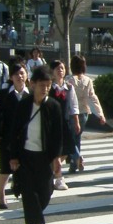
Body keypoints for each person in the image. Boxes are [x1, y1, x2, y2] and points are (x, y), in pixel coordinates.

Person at [8, 65, 63, 224]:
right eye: (42, 85)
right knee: (29, 192)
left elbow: (58, 134)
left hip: (44, 156)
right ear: (32, 84)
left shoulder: (54, 106)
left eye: (48, 85)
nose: (45, 89)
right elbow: (14, 131)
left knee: (45, 192)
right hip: (25, 155)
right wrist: (13, 156)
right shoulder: (24, 105)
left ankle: (35, 215)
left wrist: (57, 158)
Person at [0, 64, 30, 209]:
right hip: (7, 138)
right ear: (11, 77)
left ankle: (24, 193)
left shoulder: (30, 94)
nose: (20, 76)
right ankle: (1, 193)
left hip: (27, 140)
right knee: (5, 170)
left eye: (22, 73)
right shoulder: (5, 94)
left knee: (25, 169)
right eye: (16, 74)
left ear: (26, 75)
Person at [69, 54, 106, 173]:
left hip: (72, 113)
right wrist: (100, 113)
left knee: (70, 138)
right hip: (84, 112)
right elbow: (93, 97)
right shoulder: (88, 80)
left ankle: (76, 158)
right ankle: (74, 164)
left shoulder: (69, 80)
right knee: (77, 138)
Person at [49, 60, 80, 190]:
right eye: (57, 68)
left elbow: (74, 105)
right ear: (52, 72)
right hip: (51, 124)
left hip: (66, 123)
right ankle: (58, 177)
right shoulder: (49, 87)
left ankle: (51, 171)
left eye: (62, 68)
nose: (60, 70)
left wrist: (76, 122)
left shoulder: (69, 87)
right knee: (56, 151)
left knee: (67, 150)